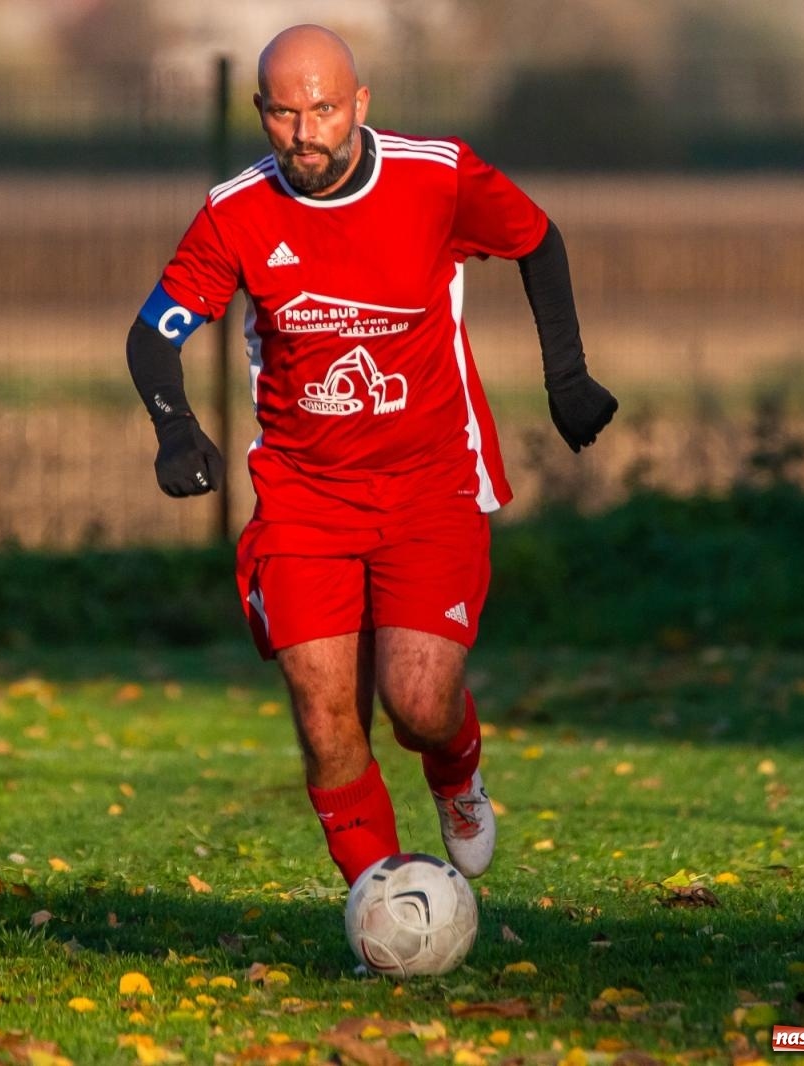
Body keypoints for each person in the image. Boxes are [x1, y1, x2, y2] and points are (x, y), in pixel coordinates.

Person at [125, 25, 616, 886]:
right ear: (260, 112)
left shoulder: (437, 176)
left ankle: (455, 773)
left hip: (432, 481)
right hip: (304, 497)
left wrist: (566, 377)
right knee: (326, 723)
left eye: (323, 110)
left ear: (359, 103)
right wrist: (174, 426)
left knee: (418, 705)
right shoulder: (236, 212)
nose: (304, 133)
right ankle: (386, 903)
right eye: (284, 114)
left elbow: (538, 240)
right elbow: (152, 333)